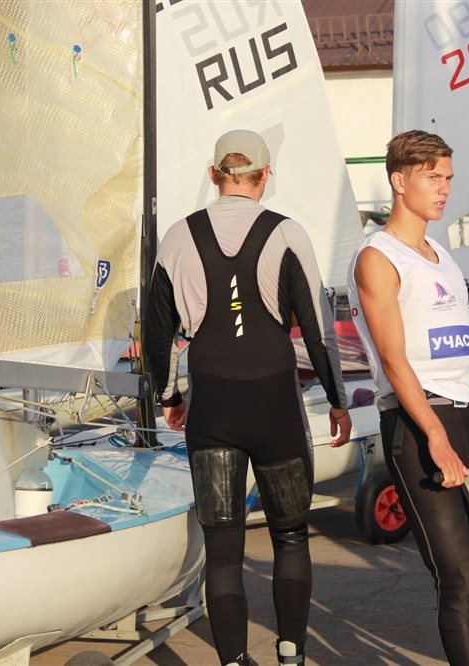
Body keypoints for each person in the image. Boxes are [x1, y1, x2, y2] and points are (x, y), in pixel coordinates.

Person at [144, 129, 353, 666]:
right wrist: (337, 399)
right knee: (291, 538)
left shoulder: (177, 237)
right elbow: (317, 330)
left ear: (213, 175)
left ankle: (233, 661)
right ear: (266, 176)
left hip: (212, 407)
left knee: (223, 551)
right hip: (275, 407)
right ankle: (290, 654)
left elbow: (158, 332)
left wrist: (169, 395)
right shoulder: (287, 233)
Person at [347, 129, 469, 666]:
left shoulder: (442, 256)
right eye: (432, 177)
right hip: (416, 423)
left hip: (466, 419)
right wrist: (433, 434)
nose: (444, 187)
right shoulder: (378, 257)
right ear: (398, 181)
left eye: (448, 177)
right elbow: (393, 360)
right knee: (460, 577)